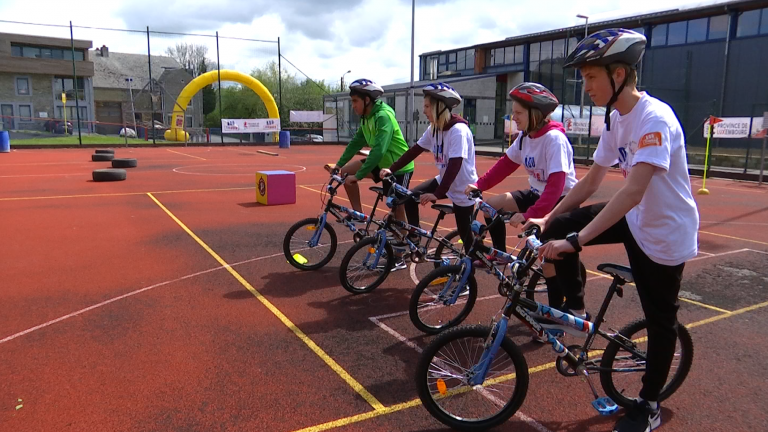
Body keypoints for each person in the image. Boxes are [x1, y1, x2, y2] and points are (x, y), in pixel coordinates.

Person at [524, 29, 700, 432]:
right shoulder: (616, 117)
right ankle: (574, 308)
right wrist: (548, 219)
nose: (585, 87)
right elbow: (589, 183)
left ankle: (649, 402)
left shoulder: (654, 118)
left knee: (660, 321)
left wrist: (576, 241)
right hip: (636, 217)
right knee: (565, 223)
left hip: (664, 232)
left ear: (618, 74)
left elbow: (634, 190)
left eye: (591, 78)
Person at [464, 82, 578, 311]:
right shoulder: (525, 137)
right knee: (490, 206)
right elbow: (505, 165)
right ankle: (500, 253)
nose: (513, 117)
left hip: (559, 200)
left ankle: (556, 311)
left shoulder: (554, 139)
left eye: (518, 113)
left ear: (534, 113)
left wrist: (529, 215)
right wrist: (479, 184)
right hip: (536, 193)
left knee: (548, 263)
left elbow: (556, 186)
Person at [380, 83, 478, 253]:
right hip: (444, 181)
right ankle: (415, 236)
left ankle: (469, 274)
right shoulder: (433, 129)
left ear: (439, 107)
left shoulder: (458, 130)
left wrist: (437, 194)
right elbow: (414, 150)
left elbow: (455, 165)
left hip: (464, 189)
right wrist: (392, 168)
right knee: (410, 197)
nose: (424, 110)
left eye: (427, 106)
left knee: (466, 237)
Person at [325, 78, 415, 252]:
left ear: (367, 100)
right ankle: (358, 214)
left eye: (355, 101)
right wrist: (339, 164)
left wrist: (359, 175)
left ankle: (401, 248)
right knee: (345, 173)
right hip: (380, 164)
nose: (353, 106)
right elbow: (356, 142)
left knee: (397, 206)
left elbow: (379, 150)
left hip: (398, 166)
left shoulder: (383, 117)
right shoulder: (366, 118)